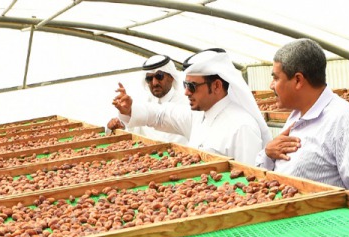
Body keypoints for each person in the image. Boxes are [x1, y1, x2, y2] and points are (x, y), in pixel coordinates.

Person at [257, 39, 349, 199]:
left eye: (276, 78)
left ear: (298, 80)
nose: (271, 86)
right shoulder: (296, 116)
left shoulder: (347, 122)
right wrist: (268, 153)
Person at [112, 48, 271, 165]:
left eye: (192, 86)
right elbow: (160, 115)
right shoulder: (197, 115)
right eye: (185, 84)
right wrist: (130, 109)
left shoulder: (241, 126)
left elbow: (251, 179)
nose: (186, 92)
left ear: (216, 86)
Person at [106, 54, 190, 145]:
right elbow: (130, 132)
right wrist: (118, 127)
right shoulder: (141, 102)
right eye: (149, 78)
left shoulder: (188, 103)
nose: (154, 83)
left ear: (171, 77)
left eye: (159, 76)